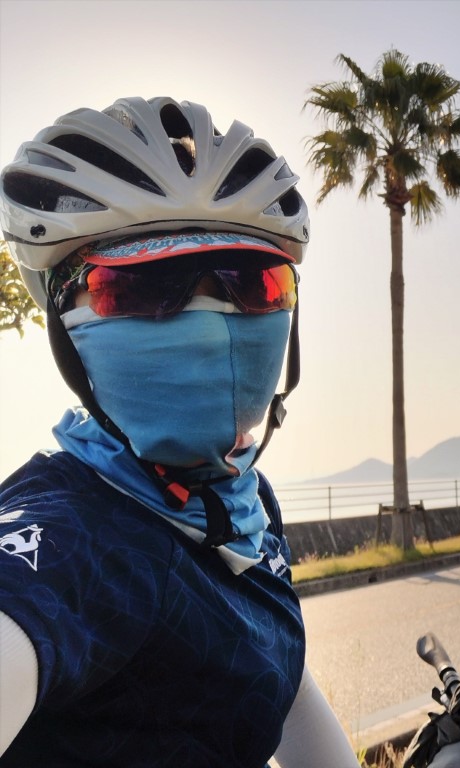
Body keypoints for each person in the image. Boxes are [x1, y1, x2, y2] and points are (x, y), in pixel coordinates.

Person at [0, 96, 361, 767]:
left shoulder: (240, 507)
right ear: (63, 331)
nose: (209, 322)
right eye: (139, 288)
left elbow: (281, 686)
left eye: (253, 286)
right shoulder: (75, 538)